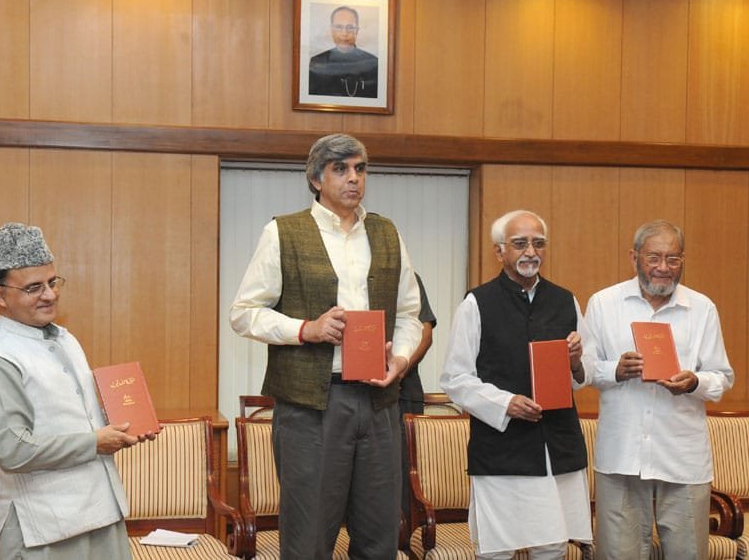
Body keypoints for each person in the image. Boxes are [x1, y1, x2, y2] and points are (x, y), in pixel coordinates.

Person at [230, 133, 422, 559]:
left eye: (361, 168)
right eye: (341, 169)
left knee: (380, 536)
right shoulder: (284, 231)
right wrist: (306, 329)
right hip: (312, 408)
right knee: (310, 539)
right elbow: (243, 313)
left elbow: (410, 314)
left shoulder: (387, 232)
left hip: (378, 402)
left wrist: (402, 359)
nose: (354, 179)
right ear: (316, 179)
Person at [0, 222, 154, 559]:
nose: (50, 295)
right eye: (34, 287)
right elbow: (13, 450)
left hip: (99, 512)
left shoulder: (65, 338)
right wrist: (96, 441)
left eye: (52, 282)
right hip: (41, 528)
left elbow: (72, 415)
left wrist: (127, 424)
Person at [441, 209, 593, 560]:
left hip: (556, 446)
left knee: (553, 546)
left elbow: (585, 376)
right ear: (500, 251)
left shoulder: (565, 300)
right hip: (502, 450)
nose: (530, 252)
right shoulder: (476, 303)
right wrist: (504, 403)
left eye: (538, 243)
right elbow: (455, 377)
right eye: (520, 243)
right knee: (498, 549)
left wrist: (575, 362)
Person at [583, 219, 734, 560]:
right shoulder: (604, 303)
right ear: (633, 257)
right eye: (654, 258)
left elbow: (722, 376)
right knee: (617, 554)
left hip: (681, 455)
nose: (663, 268)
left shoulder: (702, 308)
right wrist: (616, 370)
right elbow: (584, 371)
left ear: (683, 260)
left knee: (688, 553)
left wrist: (695, 382)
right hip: (621, 454)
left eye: (673, 259)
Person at [399, 272, 436, 525]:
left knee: (404, 474)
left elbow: (425, 334)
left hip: (403, 392)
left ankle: (404, 543)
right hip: (353, 394)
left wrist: (399, 369)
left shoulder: (408, 277)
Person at [309, 6, 378, 98]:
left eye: (350, 27)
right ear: (332, 30)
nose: (344, 33)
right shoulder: (318, 61)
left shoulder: (373, 63)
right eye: (339, 27)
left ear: (357, 30)